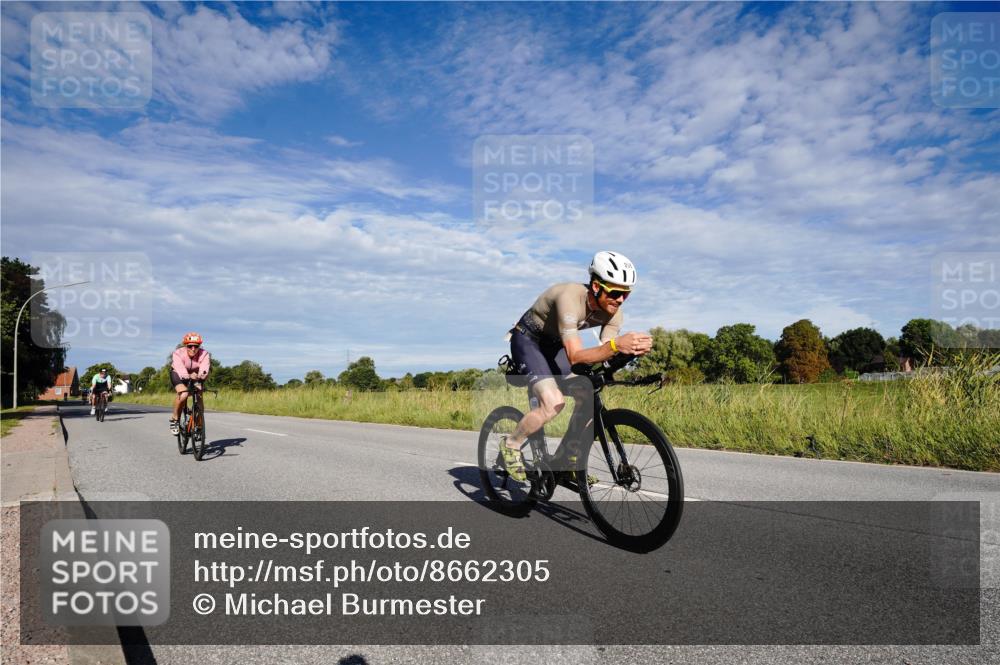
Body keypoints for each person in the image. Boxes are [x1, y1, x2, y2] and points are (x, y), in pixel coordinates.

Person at [501, 251, 653, 481]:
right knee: (553, 403)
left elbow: (604, 354)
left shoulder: (614, 314)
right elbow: (576, 356)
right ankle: (511, 445)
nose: (620, 300)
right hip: (529, 340)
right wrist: (615, 345)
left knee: (588, 395)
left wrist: (628, 353)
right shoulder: (569, 298)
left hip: (555, 345)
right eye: (615, 292)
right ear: (595, 286)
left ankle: (566, 459)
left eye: (626, 294)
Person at [169, 332, 211, 434]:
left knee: (199, 397)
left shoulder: (204, 354)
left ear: (199, 346)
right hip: (178, 374)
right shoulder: (178, 353)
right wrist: (189, 376)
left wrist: (201, 376)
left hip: (195, 376)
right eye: (190, 346)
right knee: (184, 394)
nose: (193, 349)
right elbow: (180, 369)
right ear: (185, 345)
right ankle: (175, 419)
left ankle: (199, 423)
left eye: (196, 346)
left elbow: (205, 368)